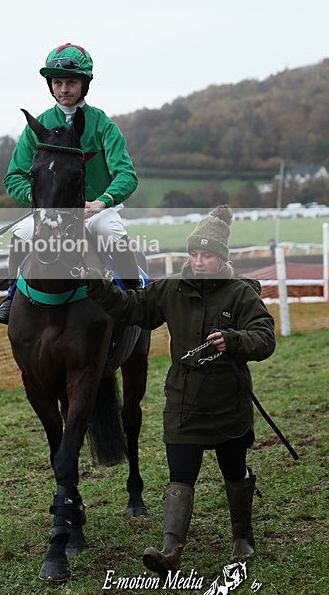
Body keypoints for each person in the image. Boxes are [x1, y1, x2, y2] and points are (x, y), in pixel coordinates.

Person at [84, 206, 276, 575]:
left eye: (207, 255)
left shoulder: (241, 295)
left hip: (228, 402)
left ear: (222, 258)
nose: (199, 261)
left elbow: (265, 338)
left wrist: (234, 341)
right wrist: (96, 283)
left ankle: (242, 537)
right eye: (195, 254)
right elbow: (131, 308)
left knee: (234, 470)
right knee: (180, 475)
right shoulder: (170, 290)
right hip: (184, 401)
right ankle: (170, 551)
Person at [0, 42, 140, 324]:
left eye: (71, 82)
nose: (64, 89)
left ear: (84, 84)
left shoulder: (103, 125)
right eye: (58, 82)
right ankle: (12, 295)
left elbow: (126, 174)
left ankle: (135, 297)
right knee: (22, 233)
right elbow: (14, 177)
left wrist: (103, 202)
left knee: (109, 231)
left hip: (96, 209)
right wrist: (43, 201)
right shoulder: (38, 126)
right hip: (51, 211)